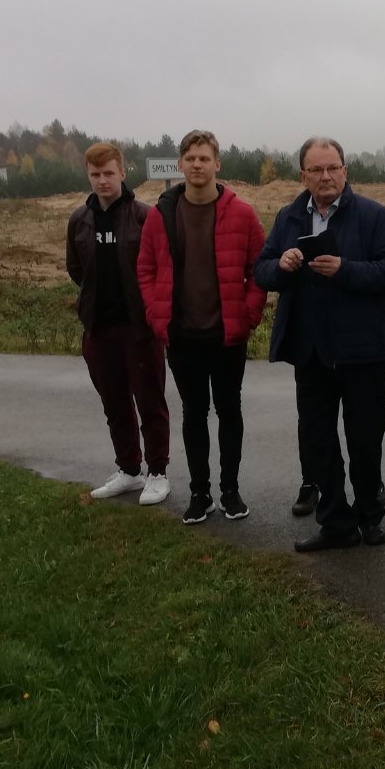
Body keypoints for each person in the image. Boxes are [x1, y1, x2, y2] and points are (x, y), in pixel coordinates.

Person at [254, 136, 385, 551]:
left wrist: (344, 269)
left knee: (365, 438)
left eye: (333, 168)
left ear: (345, 171)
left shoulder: (372, 215)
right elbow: (261, 270)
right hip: (311, 351)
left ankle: (369, 516)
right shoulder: (288, 217)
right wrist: (281, 265)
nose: (326, 176)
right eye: (316, 170)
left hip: (362, 349)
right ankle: (336, 523)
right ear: (302, 175)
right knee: (318, 440)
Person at [137, 130, 266, 524]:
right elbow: (145, 268)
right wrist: (157, 316)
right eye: (190, 158)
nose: (197, 164)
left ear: (217, 164)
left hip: (227, 335)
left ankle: (230, 491)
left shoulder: (242, 213)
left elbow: (258, 271)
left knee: (229, 411)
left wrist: (248, 314)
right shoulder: (160, 215)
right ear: (180, 163)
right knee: (193, 414)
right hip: (182, 335)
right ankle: (200, 492)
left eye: (204, 158)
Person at [66, 142, 170, 506]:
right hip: (98, 329)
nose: (102, 181)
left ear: (122, 173)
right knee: (115, 404)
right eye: (95, 174)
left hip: (139, 328)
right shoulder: (79, 220)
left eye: (109, 173)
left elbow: (161, 267)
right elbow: (75, 269)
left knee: (150, 402)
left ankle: (157, 473)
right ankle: (129, 470)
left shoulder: (145, 217)